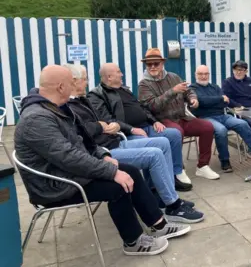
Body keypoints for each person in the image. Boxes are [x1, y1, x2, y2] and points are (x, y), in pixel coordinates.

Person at [14, 65, 190, 256]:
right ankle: (133, 241)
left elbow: (83, 142)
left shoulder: (55, 109)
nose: (77, 85)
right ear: (60, 87)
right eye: (71, 82)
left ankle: (159, 224)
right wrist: (111, 172)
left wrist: (103, 156)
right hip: (56, 185)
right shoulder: (37, 118)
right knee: (119, 186)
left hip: (68, 172)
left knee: (129, 170)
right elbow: (69, 158)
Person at [64, 64, 204, 223]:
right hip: (108, 147)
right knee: (155, 153)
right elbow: (91, 128)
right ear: (73, 81)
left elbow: (139, 109)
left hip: (114, 140)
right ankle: (173, 204)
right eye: (84, 79)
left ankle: (164, 195)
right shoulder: (89, 98)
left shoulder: (86, 99)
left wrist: (153, 122)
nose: (88, 82)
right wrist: (125, 128)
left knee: (164, 142)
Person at [87, 63, 192, 191]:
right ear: (109, 77)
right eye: (119, 72)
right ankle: (154, 186)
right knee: (157, 145)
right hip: (128, 134)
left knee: (174, 134)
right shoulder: (97, 95)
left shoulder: (124, 89)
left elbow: (142, 108)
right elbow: (107, 120)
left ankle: (175, 174)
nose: (122, 74)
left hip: (147, 127)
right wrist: (131, 129)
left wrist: (154, 121)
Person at [137, 49, 218, 180]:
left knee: (207, 127)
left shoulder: (173, 76)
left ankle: (202, 166)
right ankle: (179, 169)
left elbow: (188, 90)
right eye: (149, 64)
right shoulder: (144, 84)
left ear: (162, 63)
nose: (152, 67)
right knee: (177, 132)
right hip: (163, 120)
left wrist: (193, 99)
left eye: (156, 63)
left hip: (182, 117)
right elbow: (152, 106)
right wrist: (172, 91)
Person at [190, 65, 251, 172]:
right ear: (195, 75)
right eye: (200, 74)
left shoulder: (215, 87)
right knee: (221, 130)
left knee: (242, 124)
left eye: (206, 74)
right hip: (205, 118)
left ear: (209, 74)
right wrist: (218, 99)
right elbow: (202, 101)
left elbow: (225, 102)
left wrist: (214, 101)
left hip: (223, 115)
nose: (203, 76)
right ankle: (225, 160)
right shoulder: (192, 89)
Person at [222, 60, 251, 133]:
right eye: (235, 70)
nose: (238, 72)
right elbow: (226, 99)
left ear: (246, 71)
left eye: (241, 70)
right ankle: (250, 142)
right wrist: (238, 106)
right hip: (240, 110)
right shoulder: (227, 82)